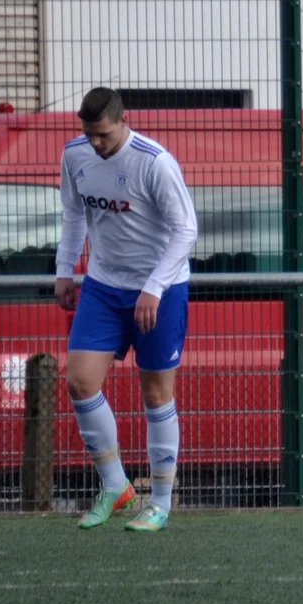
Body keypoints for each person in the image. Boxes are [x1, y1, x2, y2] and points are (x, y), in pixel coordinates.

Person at [55, 87, 198, 531]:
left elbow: (186, 229)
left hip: (160, 289)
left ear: (122, 122)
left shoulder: (154, 162)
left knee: (156, 395)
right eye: (89, 133)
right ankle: (116, 487)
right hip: (102, 286)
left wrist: (154, 287)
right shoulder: (75, 155)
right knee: (79, 382)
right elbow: (74, 213)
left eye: (102, 134)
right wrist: (65, 269)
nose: (95, 142)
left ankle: (159, 503)